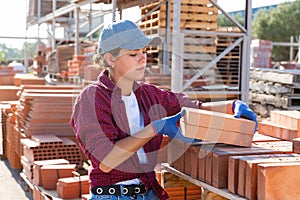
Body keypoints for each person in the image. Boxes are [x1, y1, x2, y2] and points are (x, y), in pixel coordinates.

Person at [70, 19, 257, 200]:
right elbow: (106, 161)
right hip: (115, 195)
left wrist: (232, 106)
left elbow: (193, 108)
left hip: (148, 191)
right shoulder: (91, 99)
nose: (143, 59)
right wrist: (155, 128)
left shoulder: (148, 95)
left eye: (143, 52)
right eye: (133, 54)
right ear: (110, 58)